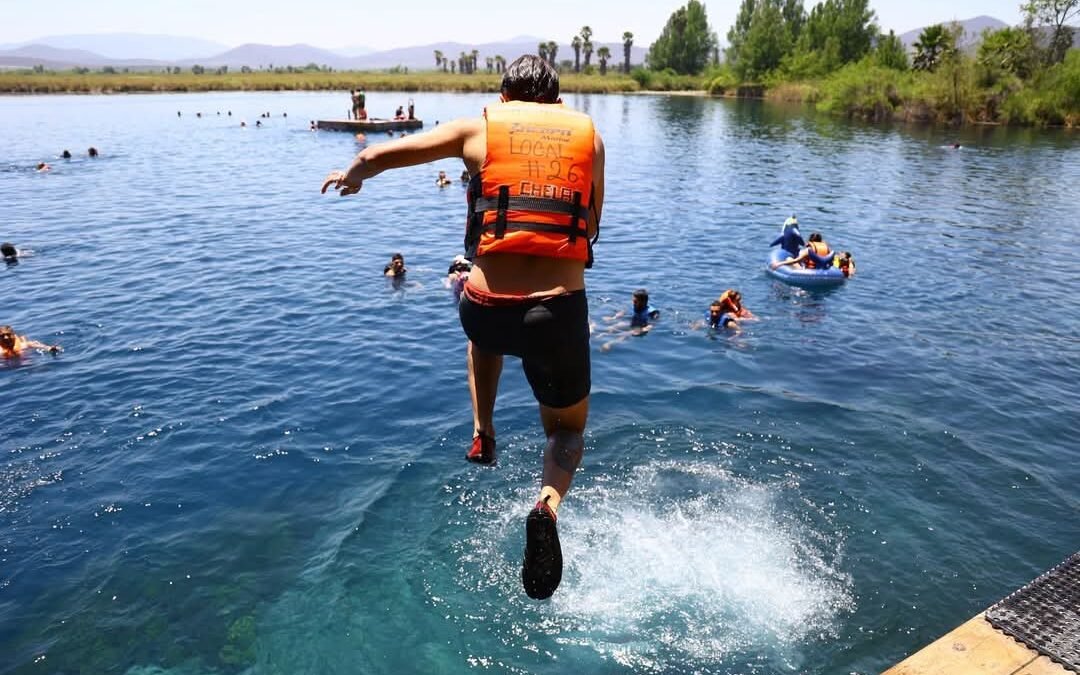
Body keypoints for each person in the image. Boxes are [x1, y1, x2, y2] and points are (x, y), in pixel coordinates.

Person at [321, 54, 605, 601]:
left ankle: (484, 432)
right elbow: (590, 223)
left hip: (483, 304)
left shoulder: (480, 126)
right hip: (556, 312)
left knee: (484, 334)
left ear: (504, 97)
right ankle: (547, 504)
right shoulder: (587, 138)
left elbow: (385, 153)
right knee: (566, 431)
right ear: (556, 98)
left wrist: (355, 174)